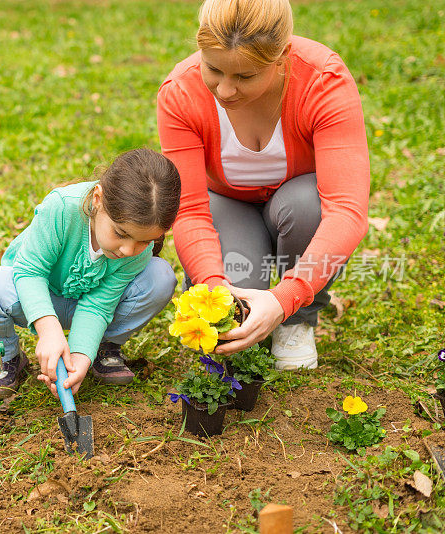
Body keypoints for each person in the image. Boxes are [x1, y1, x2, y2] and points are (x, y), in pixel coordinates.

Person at [157, 0, 369, 369]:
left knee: (309, 206)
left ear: (282, 56)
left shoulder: (322, 80)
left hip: (297, 204)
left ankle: (297, 322)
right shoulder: (181, 93)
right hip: (226, 206)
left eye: (244, 76)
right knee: (238, 300)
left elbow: (347, 211)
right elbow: (190, 210)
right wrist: (214, 287)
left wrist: (285, 298)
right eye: (214, 69)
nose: (224, 90)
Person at [0, 148, 180, 400]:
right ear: (98, 199)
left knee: (160, 277)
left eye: (144, 241)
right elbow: (31, 272)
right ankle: (6, 358)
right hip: (35, 296)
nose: (129, 250)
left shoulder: (137, 251)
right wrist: (49, 330)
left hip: (88, 309)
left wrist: (79, 356)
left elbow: (98, 305)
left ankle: (102, 349)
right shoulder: (62, 208)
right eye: (121, 233)